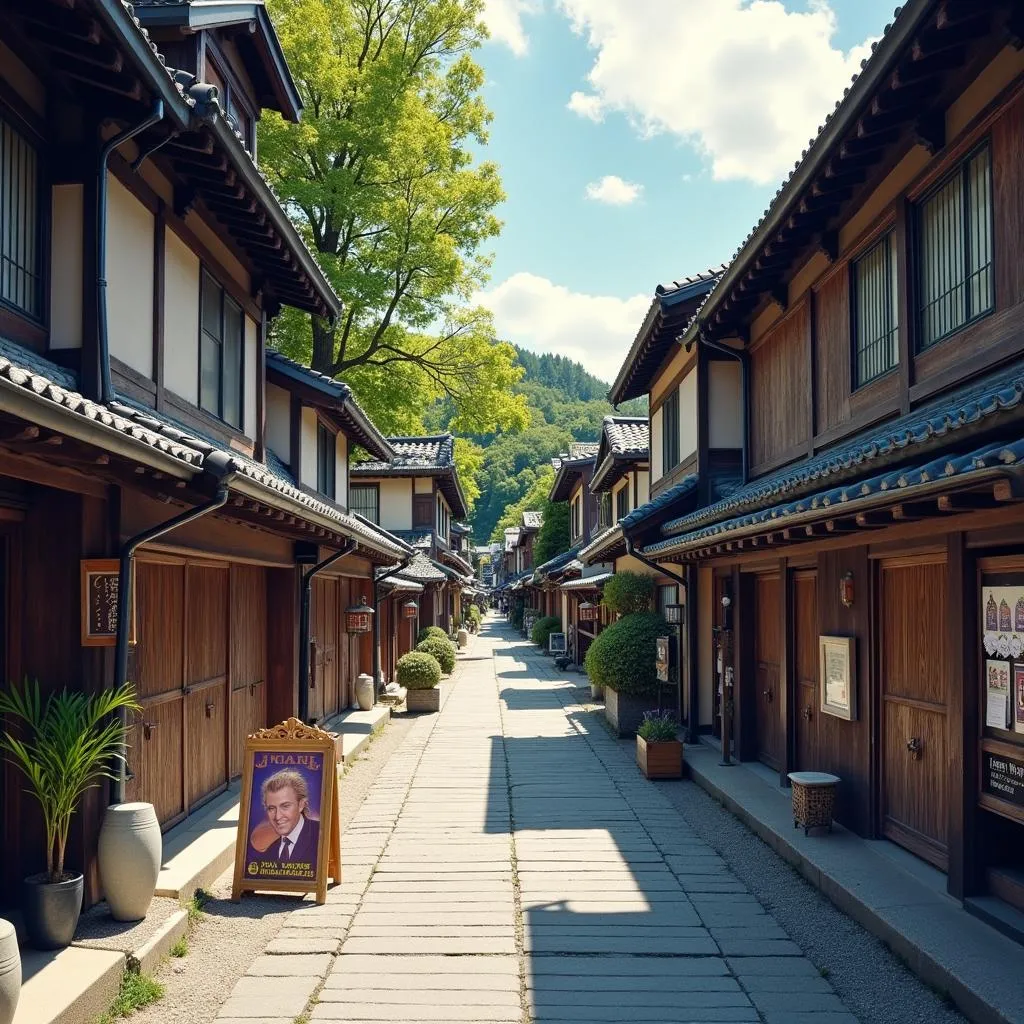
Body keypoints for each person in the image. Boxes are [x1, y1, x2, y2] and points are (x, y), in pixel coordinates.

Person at [245, 769, 319, 879]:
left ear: (301, 805)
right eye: (271, 808)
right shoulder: (269, 847)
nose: (278, 816)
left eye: (285, 806)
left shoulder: (319, 834)